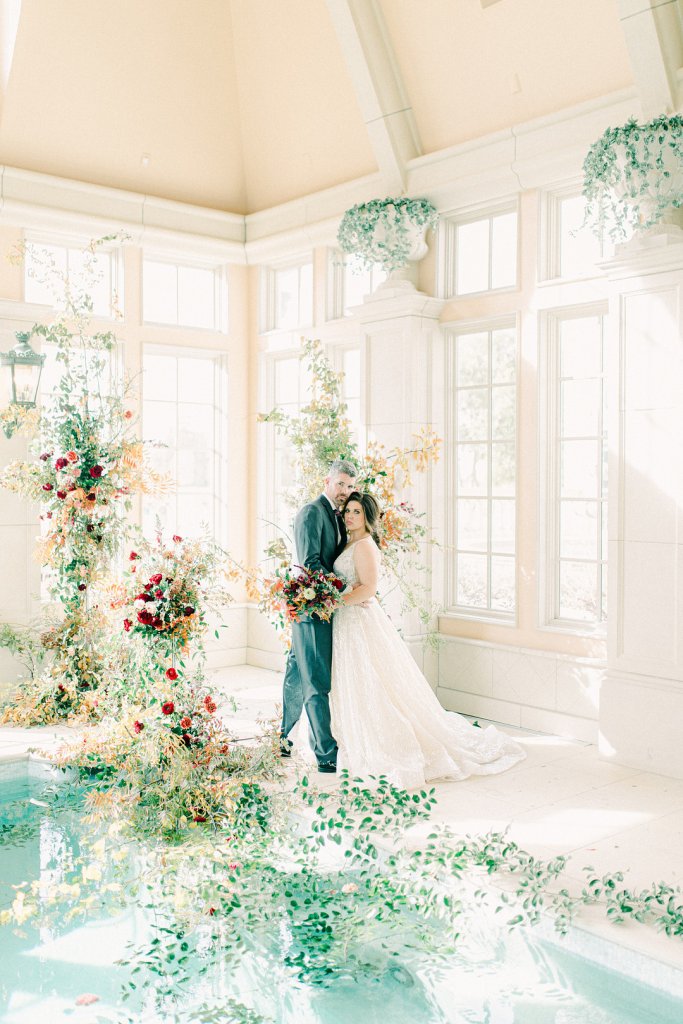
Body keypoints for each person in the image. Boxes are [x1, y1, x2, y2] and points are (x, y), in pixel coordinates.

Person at [330, 491, 526, 789]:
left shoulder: (365, 547)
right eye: (348, 510)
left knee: (373, 680)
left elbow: (369, 589)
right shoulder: (350, 543)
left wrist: (335, 602)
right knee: (356, 679)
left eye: (356, 511)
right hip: (348, 621)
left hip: (358, 619)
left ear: (368, 517)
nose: (349, 515)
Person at [280, 459, 357, 772]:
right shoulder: (312, 512)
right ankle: (326, 754)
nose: (345, 491)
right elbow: (311, 563)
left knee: (297, 672)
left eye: (350, 486)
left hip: (319, 608)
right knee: (316, 683)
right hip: (313, 609)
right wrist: (346, 589)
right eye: (340, 484)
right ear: (327, 481)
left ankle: (285, 740)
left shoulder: (338, 516)